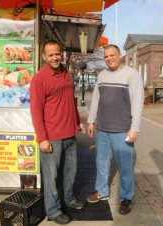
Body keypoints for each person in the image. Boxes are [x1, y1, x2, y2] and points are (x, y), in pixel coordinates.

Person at [30, 40, 86, 225]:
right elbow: (36, 111)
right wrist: (42, 139)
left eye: (57, 54)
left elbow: (71, 101)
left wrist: (78, 121)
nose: (55, 57)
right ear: (44, 57)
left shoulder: (66, 74)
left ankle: (69, 199)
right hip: (52, 138)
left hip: (70, 134)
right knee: (52, 177)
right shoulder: (40, 79)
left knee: (70, 171)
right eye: (51, 54)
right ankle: (53, 210)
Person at [86, 44, 144, 215]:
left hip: (122, 130)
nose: (109, 58)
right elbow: (96, 99)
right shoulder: (102, 75)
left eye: (112, 55)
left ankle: (126, 198)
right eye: (106, 56)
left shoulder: (132, 75)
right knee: (101, 163)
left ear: (120, 56)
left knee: (125, 166)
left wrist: (135, 129)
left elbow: (137, 103)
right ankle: (102, 192)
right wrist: (91, 121)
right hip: (102, 128)